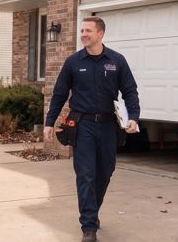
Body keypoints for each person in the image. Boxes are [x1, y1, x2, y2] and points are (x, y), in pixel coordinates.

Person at [44, 17, 140, 242]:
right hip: (83, 125)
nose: (83, 34)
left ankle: (92, 212)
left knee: (105, 172)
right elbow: (59, 93)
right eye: (82, 31)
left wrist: (133, 117)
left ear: (100, 34)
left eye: (88, 31)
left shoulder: (117, 61)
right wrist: (49, 122)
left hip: (108, 125)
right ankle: (88, 226)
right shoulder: (73, 62)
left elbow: (130, 91)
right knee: (85, 175)